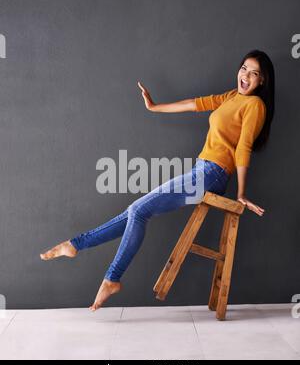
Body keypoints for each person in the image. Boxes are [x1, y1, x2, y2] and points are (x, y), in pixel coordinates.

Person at [40, 49, 275, 312]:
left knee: (139, 210)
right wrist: (154, 107)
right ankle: (75, 245)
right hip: (202, 170)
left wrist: (241, 192)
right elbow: (194, 104)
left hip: (213, 174)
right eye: (244, 68)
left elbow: (244, 148)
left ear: (262, 80)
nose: (246, 75)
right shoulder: (232, 97)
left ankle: (111, 278)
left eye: (254, 73)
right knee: (135, 211)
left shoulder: (255, 105)